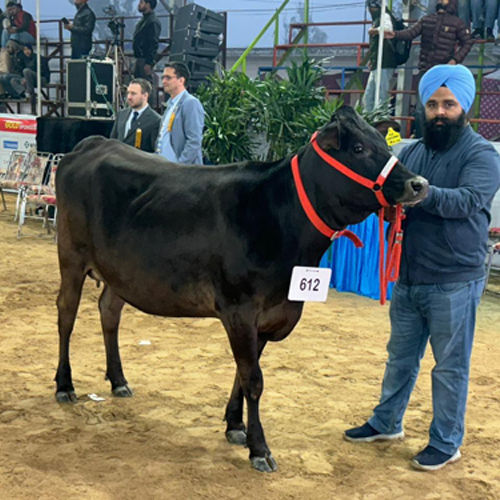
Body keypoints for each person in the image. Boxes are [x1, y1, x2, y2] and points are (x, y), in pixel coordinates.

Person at [344, 64, 500, 471]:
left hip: (455, 278)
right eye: (432, 104)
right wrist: (380, 206)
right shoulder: (411, 151)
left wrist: (418, 192)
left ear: (464, 105)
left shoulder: (481, 154)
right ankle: (386, 422)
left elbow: (467, 201)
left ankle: (447, 442)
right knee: (400, 356)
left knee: (449, 366)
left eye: (448, 104)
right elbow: (387, 193)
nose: (439, 112)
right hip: (410, 275)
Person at [385, 0, 472, 137]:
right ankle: (423, 140)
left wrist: (454, 60)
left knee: (433, 109)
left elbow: (467, 42)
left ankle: (436, 138)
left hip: (442, 74)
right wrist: (394, 34)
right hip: (427, 71)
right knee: (422, 110)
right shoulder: (428, 20)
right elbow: (410, 33)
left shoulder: (456, 23)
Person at [156, 62, 205, 165]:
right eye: (163, 78)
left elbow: (194, 141)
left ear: (181, 80)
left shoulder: (191, 103)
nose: (164, 81)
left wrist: (181, 167)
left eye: (168, 78)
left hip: (182, 173)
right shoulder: (170, 104)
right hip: (166, 170)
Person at [363, 0, 398, 112]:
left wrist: (375, 30)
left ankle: (380, 120)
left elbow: (388, 30)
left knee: (380, 95)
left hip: (384, 62)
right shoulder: (379, 18)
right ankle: (370, 119)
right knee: (369, 95)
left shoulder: (384, 16)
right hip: (378, 62)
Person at [110, 78, 161, 153]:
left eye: (133, 93)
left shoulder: (155, 120)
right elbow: (112, 141)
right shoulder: (121, 114)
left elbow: (155, 151)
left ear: (145, 96)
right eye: (128, 93)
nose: (129, 97)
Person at [132, 0, 161, 83]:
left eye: (141, 2)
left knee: (145, 84)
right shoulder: (145, 20)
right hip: (140, 57)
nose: (139, 5)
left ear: (148, 4)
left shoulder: (152, 21)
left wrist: (149, 62)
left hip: (144, 59)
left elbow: (153, 43)